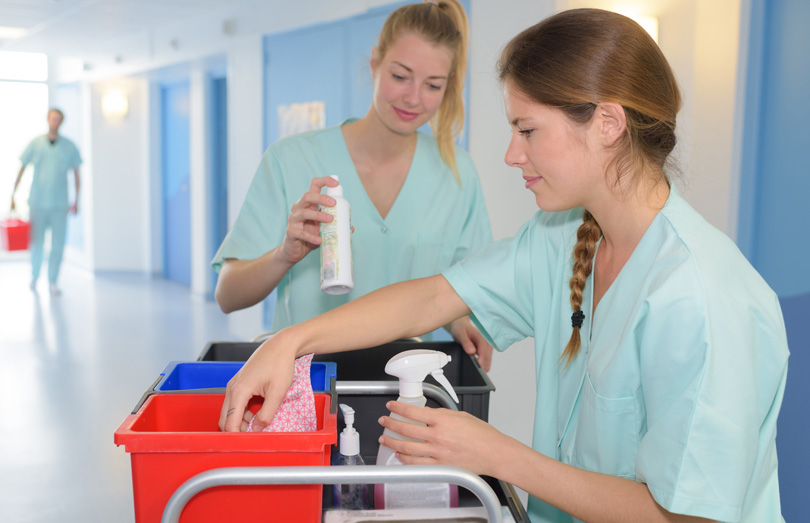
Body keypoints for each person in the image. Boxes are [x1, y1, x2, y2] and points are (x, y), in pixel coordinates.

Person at [218, 8, 789, 523]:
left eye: (528, 130)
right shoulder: (563, 238)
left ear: (609, 124)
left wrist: (496, 454)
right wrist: (289, 342)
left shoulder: (703, 298)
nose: (513, 154)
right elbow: (431, 298)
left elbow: (687, 516)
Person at [211, 0, 495, 369]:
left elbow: (462, 283)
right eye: (400, 76)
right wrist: (284, 255)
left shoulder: (457, 172)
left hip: (405, 384)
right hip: (306, 382)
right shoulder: (291, 159)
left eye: (433, 85)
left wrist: (457, 320)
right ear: (375, 62)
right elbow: (228, 295)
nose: (413, 98)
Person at [10, 108, 82, 296]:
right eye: (52, 118)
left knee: (58, 245)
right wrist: (13, 195)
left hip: (60, 204)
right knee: (36, 242)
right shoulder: (35, 144)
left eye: (58, 119)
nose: (54, 122)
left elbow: (76, 174)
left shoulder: (69, 147)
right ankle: (34, 276)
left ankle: (53, 281)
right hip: (38, 202)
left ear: (61, 121)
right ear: (47, 120)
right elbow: (22, 168)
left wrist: (77, 200)